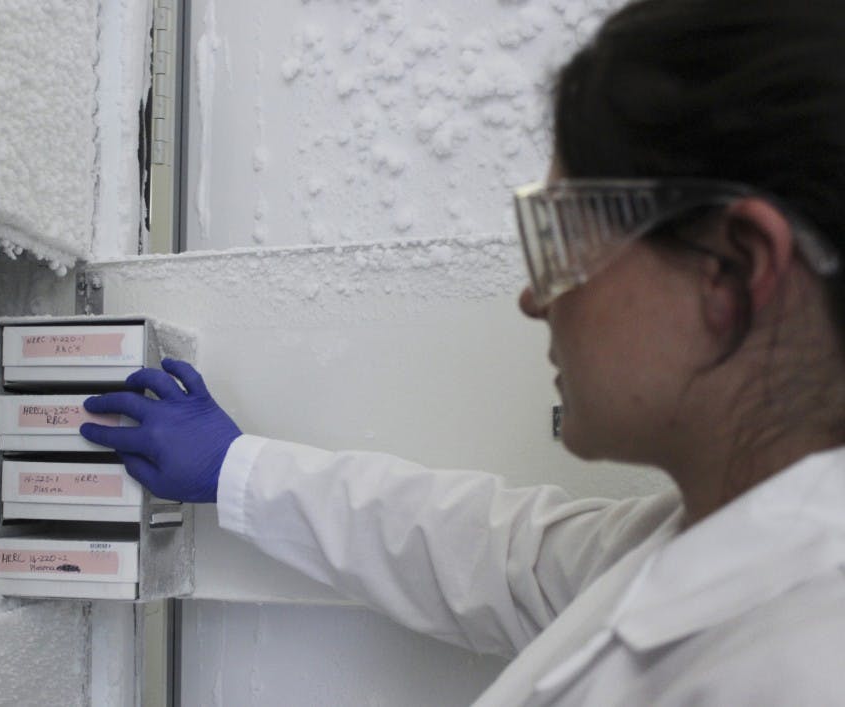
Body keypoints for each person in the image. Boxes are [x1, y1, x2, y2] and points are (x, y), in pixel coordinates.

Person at [80, 0, 845, 703]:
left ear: (732, 269)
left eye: (564, 239)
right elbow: (488, 551)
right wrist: (236, 468)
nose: (535, 299)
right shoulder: (699, 541)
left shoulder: (798, 668)